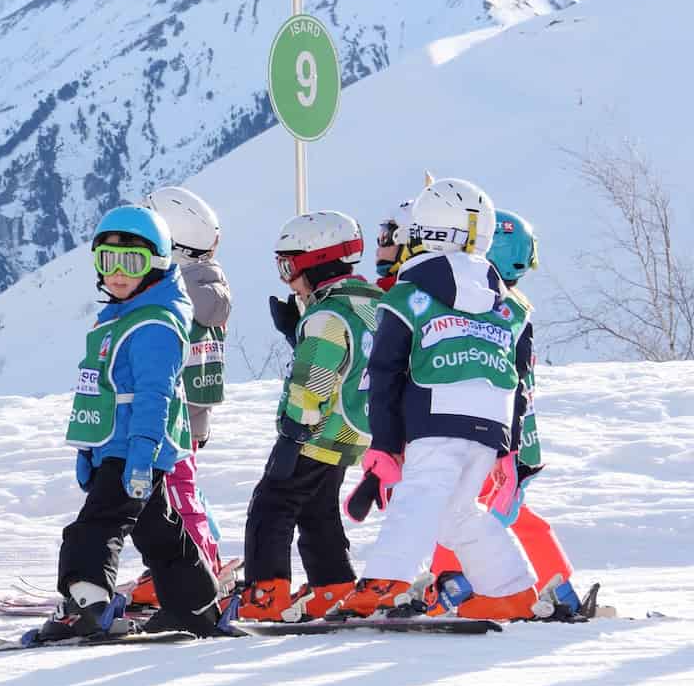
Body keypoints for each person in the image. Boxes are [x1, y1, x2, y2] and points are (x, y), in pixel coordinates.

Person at [339, 178, 571, 620]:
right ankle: (510, 590)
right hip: (491, 422)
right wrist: (510, 450)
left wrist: (385, 445)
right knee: (458, 513)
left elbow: (385, 373)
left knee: (418, 494)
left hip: (435, 412)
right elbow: (521, 381)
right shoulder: (509, 306)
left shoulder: (406, 297)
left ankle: (386, 582)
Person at [34, 206, 224, 642]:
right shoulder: (122, 316)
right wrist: (89, 452)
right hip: (116, 447)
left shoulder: (156, 325)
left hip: (135, 449)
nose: (118, 274)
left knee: (96, 526)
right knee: (158, 530)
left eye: (131, 262)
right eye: (107, 261)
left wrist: (140, 456)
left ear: (156, 263)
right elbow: (101, 390)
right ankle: (194, 605)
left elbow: (154, 397)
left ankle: (86, 603)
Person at [234, 211, 382, 622]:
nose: (286, 279)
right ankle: (332, 586)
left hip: (317, 429)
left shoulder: (326, 316)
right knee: (317, 508)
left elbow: (314, 377)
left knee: (272, 504)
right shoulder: (372, 303)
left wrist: (293, 430)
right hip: (356, 428)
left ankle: (266, 592)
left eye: (288, 267)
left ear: (315, 262)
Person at [429, 209, 576, 599]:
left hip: (493, 432)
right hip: (512, 434)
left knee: (457, 510)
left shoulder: (493, 307)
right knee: (495, 513)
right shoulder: (512, 306)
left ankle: (448, 583)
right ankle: (556, 581)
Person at [131, 186, 229, 595]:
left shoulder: (177, 296)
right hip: (194, 413)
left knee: (176, 492)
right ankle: (198, 559)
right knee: (181, 489)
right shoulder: (210, 287)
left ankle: (198, 567)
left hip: (171, 414)